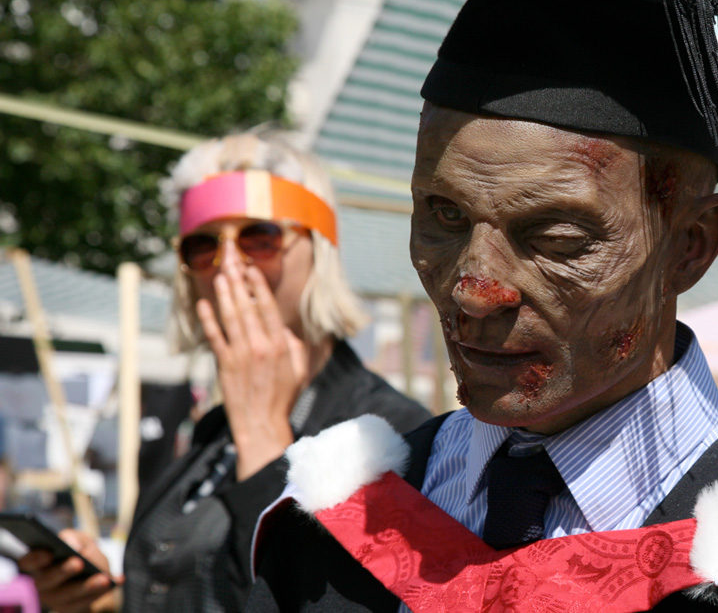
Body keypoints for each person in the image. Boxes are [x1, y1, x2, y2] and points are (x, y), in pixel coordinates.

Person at [249, 0, 718, 611]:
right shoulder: (342, 529)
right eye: (442, 216)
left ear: (690, 247)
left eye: (557, 238)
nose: (475, 289)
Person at [18, 132, 431, 612]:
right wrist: (100, 601)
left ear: (317, 251)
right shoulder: (213, 437)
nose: (229, 266)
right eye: (203, 246)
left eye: (260, 238)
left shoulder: (390, 434)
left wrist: (264, 439)